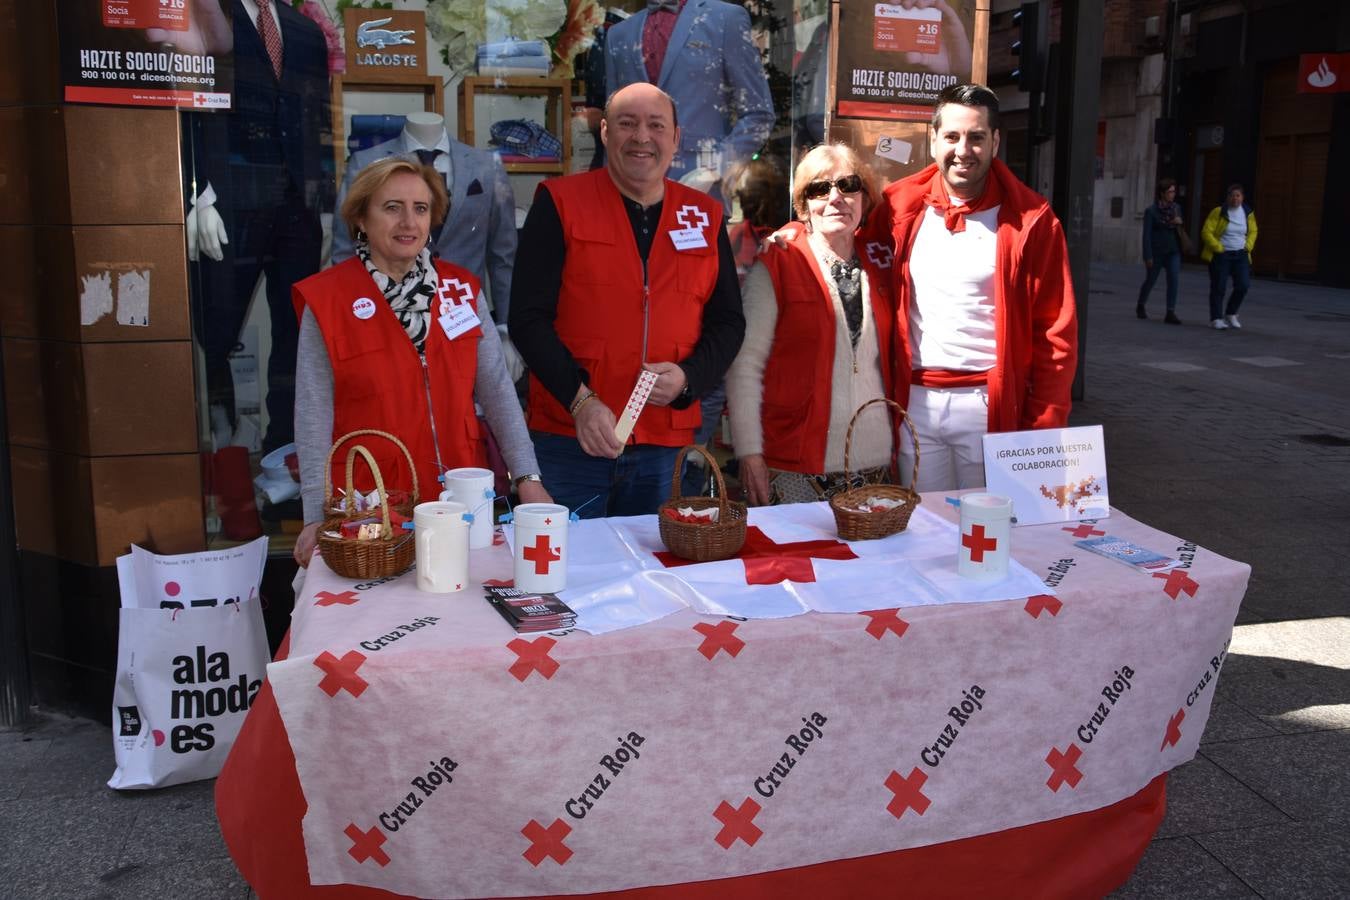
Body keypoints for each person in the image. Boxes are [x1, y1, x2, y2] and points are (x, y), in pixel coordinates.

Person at [291, 157, 550, 566]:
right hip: (371, 506)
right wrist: (312, 517)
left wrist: (528, 478)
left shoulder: (462, 290)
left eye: (421, 209)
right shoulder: (328, 300)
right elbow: (313, 414)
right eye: (392, 207)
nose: (408, 222)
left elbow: (498, 392)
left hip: (461, 498)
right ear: (361, 217)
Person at [509, 83, 745, 519]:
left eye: (656, 125)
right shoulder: (560, 203)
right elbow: (527, 318)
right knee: (564, 575)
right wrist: (579, 401)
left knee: (655, 574)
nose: (641, 137)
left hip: (664, 447)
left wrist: (689, 379)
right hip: (570, 438)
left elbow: (728, 322)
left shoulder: (705, 215)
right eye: (627, 124)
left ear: (676, 137)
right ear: (604, 132)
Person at [863, 83, 1077, 492]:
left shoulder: (1034, 221)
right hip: (915, 406)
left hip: (989, 407)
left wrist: (1046, 425)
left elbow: (1056, 336)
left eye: (976, 137)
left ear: (995, 142)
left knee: (986, 538)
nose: (963, 150)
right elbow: (847, 251)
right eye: (952, 136)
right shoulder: (897, 206)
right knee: (922, 531)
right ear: (933, 140)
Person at [187, 0, 333, 454]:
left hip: (297, 209)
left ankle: (283, 458)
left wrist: (322, 203)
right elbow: (185, 106)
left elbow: (318, 118)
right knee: (215, 329)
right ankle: (218, 452)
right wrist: (196, 191)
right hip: (227, 202)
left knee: (296, 339)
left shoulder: (304, 32)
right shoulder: (207, 15)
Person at [726, 145, 895, 506]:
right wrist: (749, 452)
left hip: (878, 464)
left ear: (864, 197)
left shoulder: (883, 263)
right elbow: (745, 367)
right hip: (796, 466)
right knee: (800, 562)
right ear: (803, 206)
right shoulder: (779, 262)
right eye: (819, 189)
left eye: (848, 185)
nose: (836, 198)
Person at [331, 113, 518, 326]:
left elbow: (503, 254)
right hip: (388, 311)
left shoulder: (486, 165)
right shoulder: (365, 162)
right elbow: (346, 245)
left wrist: (506, 325)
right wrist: (352, 313)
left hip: (463, 312)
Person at [604, 0, 773, 192]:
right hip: (630, 189)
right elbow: (613, 123)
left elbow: (758, 115)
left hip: (700, 186)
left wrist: (714, 168)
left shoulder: (726, 19)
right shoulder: (619, 35)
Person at [1201, 184, 1258, 330]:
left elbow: (1253, 231)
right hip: (1222, 254)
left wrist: (1248, 246)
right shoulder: (1219, 212)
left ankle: (1231, 313)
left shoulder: (1247, 212)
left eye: (1238, 196)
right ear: (1227, 197)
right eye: (1232, 195)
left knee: (1243, 285)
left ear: (1242, 198)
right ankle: (1216, 318)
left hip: (1241, 254)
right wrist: (1218, 247)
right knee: (1218, 286)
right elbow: (1206, 232)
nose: (1235, 199)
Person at [1137, 178, 1184, 324]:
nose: (1173, 194)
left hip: (1173, 251)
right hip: (1156, 252)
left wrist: (1178, 222)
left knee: (1174, 279)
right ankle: (1141, 305)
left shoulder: (1176, 208)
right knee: (1151, 280)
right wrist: (1148, 256)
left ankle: (1170, 312)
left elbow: (1179, 226)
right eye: (1170, 192)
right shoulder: (1151, 211)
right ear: (1162, 194)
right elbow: (1147, 235)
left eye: (1174, 191)